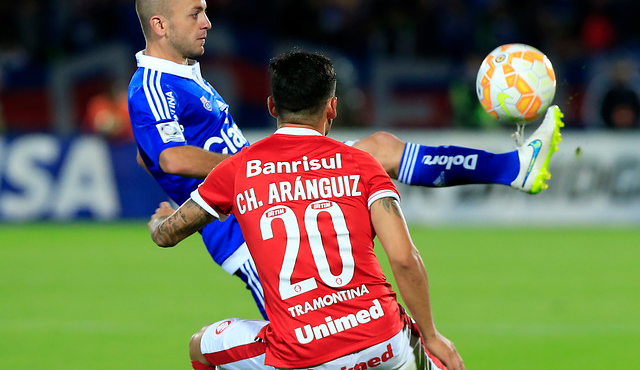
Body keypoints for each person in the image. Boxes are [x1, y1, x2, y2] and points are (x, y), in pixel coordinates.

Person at [128, 0, 563, 320]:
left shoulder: (183, 74)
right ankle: (511, 169)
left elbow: (149, 154)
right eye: (195, 14)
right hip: (246, 227)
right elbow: (170, 156)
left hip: (263, 192)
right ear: (160, 25)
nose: (207, 22)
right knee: (309, 343)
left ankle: (512, 168)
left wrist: (184, 198)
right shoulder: (151, 84)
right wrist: (247, 169)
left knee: (380, 146)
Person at [148, 50, 465, 370]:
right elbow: (403, 259)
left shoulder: (238, 169)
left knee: (199, 345)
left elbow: (167, 235)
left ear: (272, 105)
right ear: (332, 107)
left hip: (303, 352)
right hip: (384, 339)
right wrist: (432, 335)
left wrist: (160, 221)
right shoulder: (363, 164)